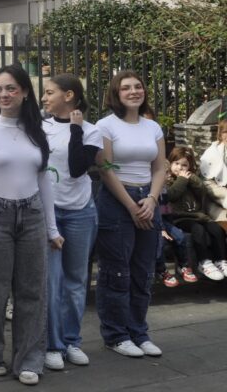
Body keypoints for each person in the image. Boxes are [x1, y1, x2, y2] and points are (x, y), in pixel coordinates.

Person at [0, 64, 61, 386]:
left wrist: (52, 228)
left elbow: (44, 180)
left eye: (11, 88)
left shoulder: (39, 130)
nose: (4, 94)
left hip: (33, 214)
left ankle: (30, 359)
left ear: (24, 92)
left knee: (32, 291)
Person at [95, 70, 167, 359]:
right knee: (116, 272)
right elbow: (105, 169)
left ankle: (139, 332)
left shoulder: (153, 127)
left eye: (138, 86)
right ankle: (116, 335)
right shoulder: (105, 126)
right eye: (126, 88)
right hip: (117, 201)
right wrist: (130, 205)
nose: (134, 91)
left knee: (143, 271)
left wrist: (151, 199)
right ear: (116, 93)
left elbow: (160, 168)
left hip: (147, 200)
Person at [40, 74, 103, 371]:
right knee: (52, 281)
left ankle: (71, 340)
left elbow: (79, 168)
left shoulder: (90, 130)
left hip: (80, 212)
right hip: (49, 212)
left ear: (69, 95)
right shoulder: (40, 127)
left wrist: (76, 129)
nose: (43, 97)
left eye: (49, 92)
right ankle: (53, 345)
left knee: (76, 282)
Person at [165, 145, 227, 280]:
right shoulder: (168, 180)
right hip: (180, 218)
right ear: (170, 163)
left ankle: (221, 261)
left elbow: (202, 192)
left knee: (217, 229)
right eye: (176, 163)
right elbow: (172, 195)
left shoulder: (191, 179)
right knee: (198, 230)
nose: (180, 168)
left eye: (184, 165)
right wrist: (182, 180)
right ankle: (204, 262)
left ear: (190, 167)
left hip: (199, 215)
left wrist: (191, 178)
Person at [198, 119, 227, 209]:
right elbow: (206, 180)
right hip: (216, 188)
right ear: (221, 134)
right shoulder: (213, 151)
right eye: (226, 132)